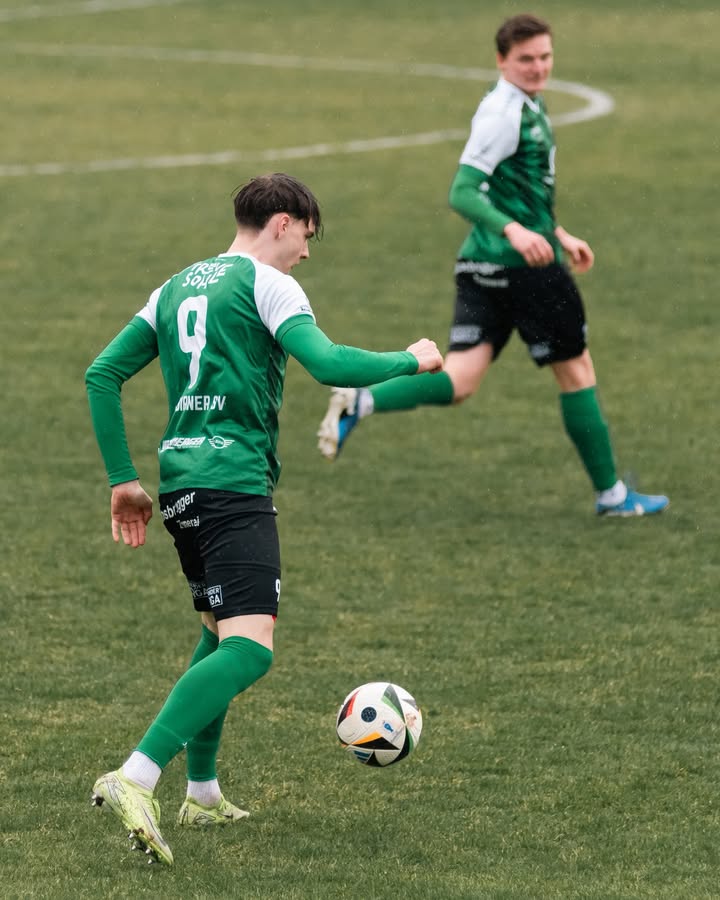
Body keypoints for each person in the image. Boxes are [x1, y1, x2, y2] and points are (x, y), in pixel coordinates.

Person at [85, 172, 443, 865]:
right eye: (306, 236)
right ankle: (136, 775)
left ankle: (203, 793)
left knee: (218, 631)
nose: (305, 253)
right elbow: (329, 363)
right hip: (232, 487)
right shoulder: (268, 284)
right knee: (250, 649)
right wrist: (413, 358)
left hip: (184, 486)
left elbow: (102, 373)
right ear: (281, 222)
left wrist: (124, 480)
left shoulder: (175, 286)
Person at [317, 13, 668, 518]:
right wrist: (516, 232)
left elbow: (516, 190)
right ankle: (612, 496)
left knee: (460, 380)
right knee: (577, 372)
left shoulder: (524, 103)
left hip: (481, 264)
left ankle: (361, 401)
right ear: (502, 60)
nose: (538, 67)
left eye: (545, 57)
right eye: (526, 59)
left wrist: (557, 233)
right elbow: (462, 191)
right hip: (525, 271)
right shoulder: (504, 114)